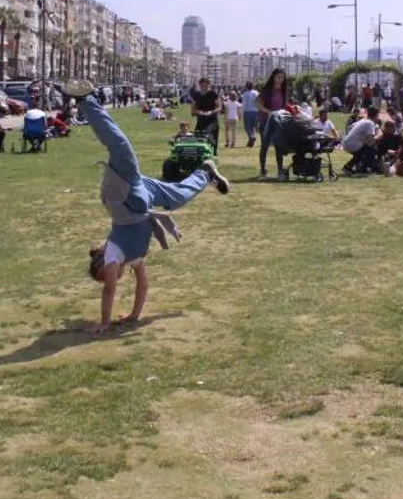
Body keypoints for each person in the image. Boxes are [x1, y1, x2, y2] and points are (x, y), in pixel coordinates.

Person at [64, 80, 229, 334]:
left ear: (102, 266)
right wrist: (134, 315)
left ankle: (87, 100)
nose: (112, 278)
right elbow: (143, 286)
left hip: (122, 189)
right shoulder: (132, 258)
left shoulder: (113, 256)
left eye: (108, 275)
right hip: (139, 198)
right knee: (178, 196)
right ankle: (205, 173)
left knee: (119, 144)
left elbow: (109, 290)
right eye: (113, 277)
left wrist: (105, 323)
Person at [256, 68, 289, 178]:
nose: (280, 80)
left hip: (279, 122)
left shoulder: (284, 90)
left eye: (282, 78)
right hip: (266, 121)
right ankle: (262, 170)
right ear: (273, 77)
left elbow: (284, 106)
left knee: (279, 146)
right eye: (278, 77)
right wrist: (269, 112)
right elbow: (258, 105)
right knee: (265, 146)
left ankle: (280, 170)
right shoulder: (267, 90)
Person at [340, 106, 381, 175]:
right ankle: (366, 169)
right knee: (372, 148)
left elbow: (350, 127)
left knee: (361, 153)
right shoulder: (370, 123)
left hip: (346, 143)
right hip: (352, 144)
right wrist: (379, 136)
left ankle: (347, 167)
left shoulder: (363, 120)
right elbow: (371, 141)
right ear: (376, 115)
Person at [189, 77, 221, 149]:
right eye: (202, 85)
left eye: (206, 85)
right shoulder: (196, 95)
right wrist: (198, 112)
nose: (204, 87)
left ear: (209, 85)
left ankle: (213, 152)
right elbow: (192, 110)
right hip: (201, 120)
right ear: (199, 85)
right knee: (197, 138)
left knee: (208, 134)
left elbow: (219, 107)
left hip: (212, 120)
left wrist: (211, 112)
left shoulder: (213, 94)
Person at [240, 82, 260, 147]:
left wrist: (241, 112)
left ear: (246, 86)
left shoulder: (245, 94)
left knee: (247, 127)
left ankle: (251, 137)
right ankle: (251, 139)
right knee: (254, 126)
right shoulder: (257, 93)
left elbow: (244, 104)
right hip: (256, 111)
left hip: (248, 112)